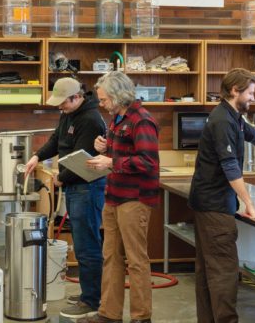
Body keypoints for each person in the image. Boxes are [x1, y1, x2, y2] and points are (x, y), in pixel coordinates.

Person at [188, 68, 255, 323]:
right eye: (250, 92)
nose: (253, 97)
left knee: (208, 271)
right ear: (235, 91)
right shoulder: (223, 121)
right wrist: (248, 203)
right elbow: (230, 167)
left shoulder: (233, 116)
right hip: (214, 207)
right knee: (224, 271)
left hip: (208, 203)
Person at [24, 77, 107, 320]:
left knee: (87, 245)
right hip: (75, 187)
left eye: (63, 103)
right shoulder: (69, 114)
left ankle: (92, 300)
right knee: (82, 244)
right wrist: (37, 157)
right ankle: (87, 294)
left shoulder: (90, 120)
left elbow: (84, 157)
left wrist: (61, 178)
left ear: (76, 97)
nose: (60, 107)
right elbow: (56, 140)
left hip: (87, 187)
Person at [81, 71, 159, 323]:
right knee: (111, 257)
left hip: (134, 200)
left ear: (118, 96)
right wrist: (105, 147)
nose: (101, 104)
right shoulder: (117, 118)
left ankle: (140, 317)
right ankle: (109, 314)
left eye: (104, 99)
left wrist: (110, 160)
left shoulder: (142, 121)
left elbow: (148, 162)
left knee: (136, 261)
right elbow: (123, 154)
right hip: (113, 196)